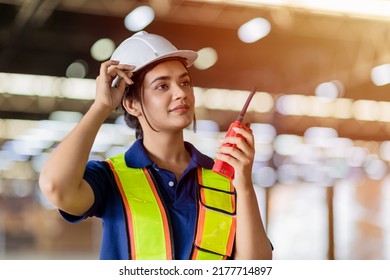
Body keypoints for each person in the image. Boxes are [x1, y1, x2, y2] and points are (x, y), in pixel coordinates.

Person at [39, 31, 273, 260]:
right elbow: (55, 187)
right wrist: (101, 106)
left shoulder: (221, 177)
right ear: (131, 104)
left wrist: (243, 186)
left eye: (185, 82)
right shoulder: (111, 178)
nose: (181, 93)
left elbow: (256, 266)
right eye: (162, 86)